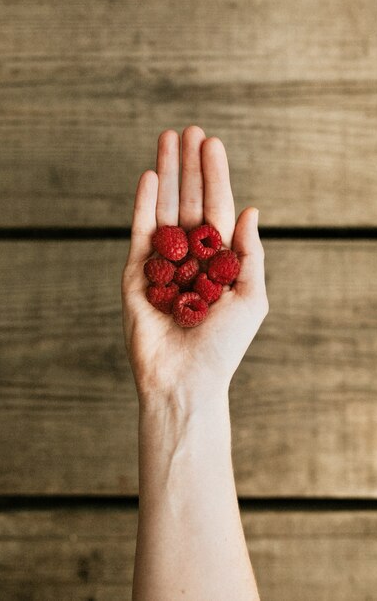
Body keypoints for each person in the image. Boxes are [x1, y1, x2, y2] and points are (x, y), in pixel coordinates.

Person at [121, 125, 268, 600]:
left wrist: (181, 392)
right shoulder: (184, 274)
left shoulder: (190, 274)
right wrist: (175, 393)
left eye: (205, 250)